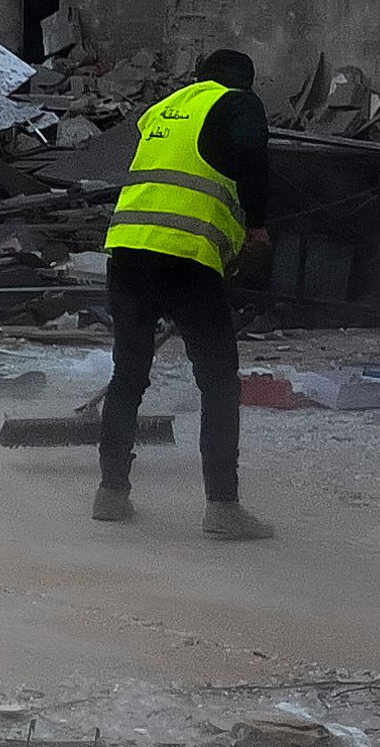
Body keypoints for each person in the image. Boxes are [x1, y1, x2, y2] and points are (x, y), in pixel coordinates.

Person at [95, 48, 275, 539]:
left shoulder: (164, 110)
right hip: (185, 258)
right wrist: (257, 228)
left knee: (128, 374)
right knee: (218, 382)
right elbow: (251, 157)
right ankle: (222, 507)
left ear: (199, 76)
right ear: (244, 81)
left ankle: (111, 493)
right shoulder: (238, 103)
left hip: (128, 250)